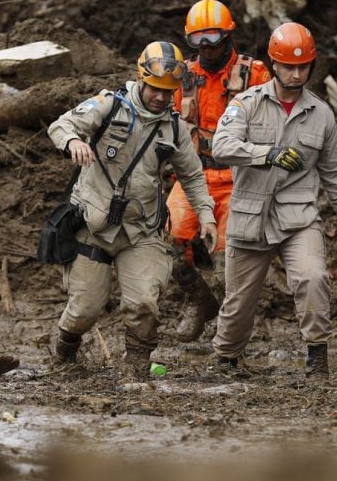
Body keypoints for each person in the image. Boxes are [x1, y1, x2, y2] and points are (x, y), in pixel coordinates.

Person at [210, 22, 337, 378]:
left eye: (303, 66)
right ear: (273, 64)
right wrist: (266, 154)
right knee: (239, 301)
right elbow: (221, 147)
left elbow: (336, 176)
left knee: (313, 277)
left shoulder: (322, 115)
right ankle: (226, 359)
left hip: (298, 218)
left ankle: (317, 358)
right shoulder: (246, 104)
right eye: (289, 65)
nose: (296, 73)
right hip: (250, 216)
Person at [47, 41, 218, 377]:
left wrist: (208, 217)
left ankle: (137, 367)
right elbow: (61, 125)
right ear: (141, 79)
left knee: (143, 302)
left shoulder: (174, 128)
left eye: (168, 91)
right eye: (155, 89)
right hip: (93, 227)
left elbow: (193, 177)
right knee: (84, 309)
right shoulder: (108, 105)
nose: (160, 97)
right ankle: (64, 353)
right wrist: (74, 142)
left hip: (141, 229)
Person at [167, 0, 271, 342]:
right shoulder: (182, 77)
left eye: (212, 37)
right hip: (193, 176)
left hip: (239, 178)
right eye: (198, 39)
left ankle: (231, 334)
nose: (206, 47)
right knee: (166, 241)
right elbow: (166, 127)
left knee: (233, 261)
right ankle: (199, 302)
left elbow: (274, 125)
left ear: (228, 36)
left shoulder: (254, 74)